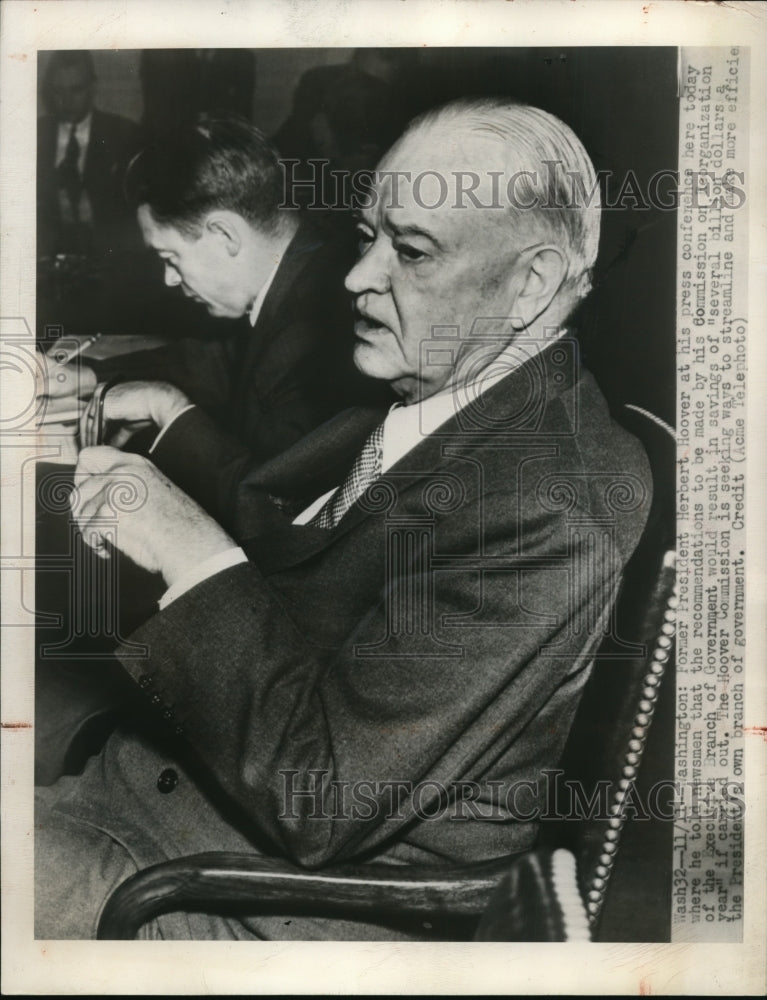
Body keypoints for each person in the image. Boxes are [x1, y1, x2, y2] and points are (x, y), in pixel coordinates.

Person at [35, 98, 653, 940]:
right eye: (368, 236)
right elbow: (276, 513)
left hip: (254, 895)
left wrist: (189, 551)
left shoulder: (551, 501)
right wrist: (152, 467)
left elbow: (321, 800)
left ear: (530, 284)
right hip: (184, 794)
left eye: (410, 249)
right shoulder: (443, 392)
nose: (359, 275)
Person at [39, 112, 387, 517]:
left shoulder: (327, 329)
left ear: (224, 235)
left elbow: (275, 511)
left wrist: (166, 406)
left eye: (170, 257)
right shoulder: (298, 269)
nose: (169, 279)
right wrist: (84, 376)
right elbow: (206, 363)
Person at [37, 50, 143, 259]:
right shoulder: (34, 134)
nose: (66, 101)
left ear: (92, 87)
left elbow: (136, 220)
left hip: (109, 262)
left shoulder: (125, 135)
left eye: (76, 90)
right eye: (58, 91)